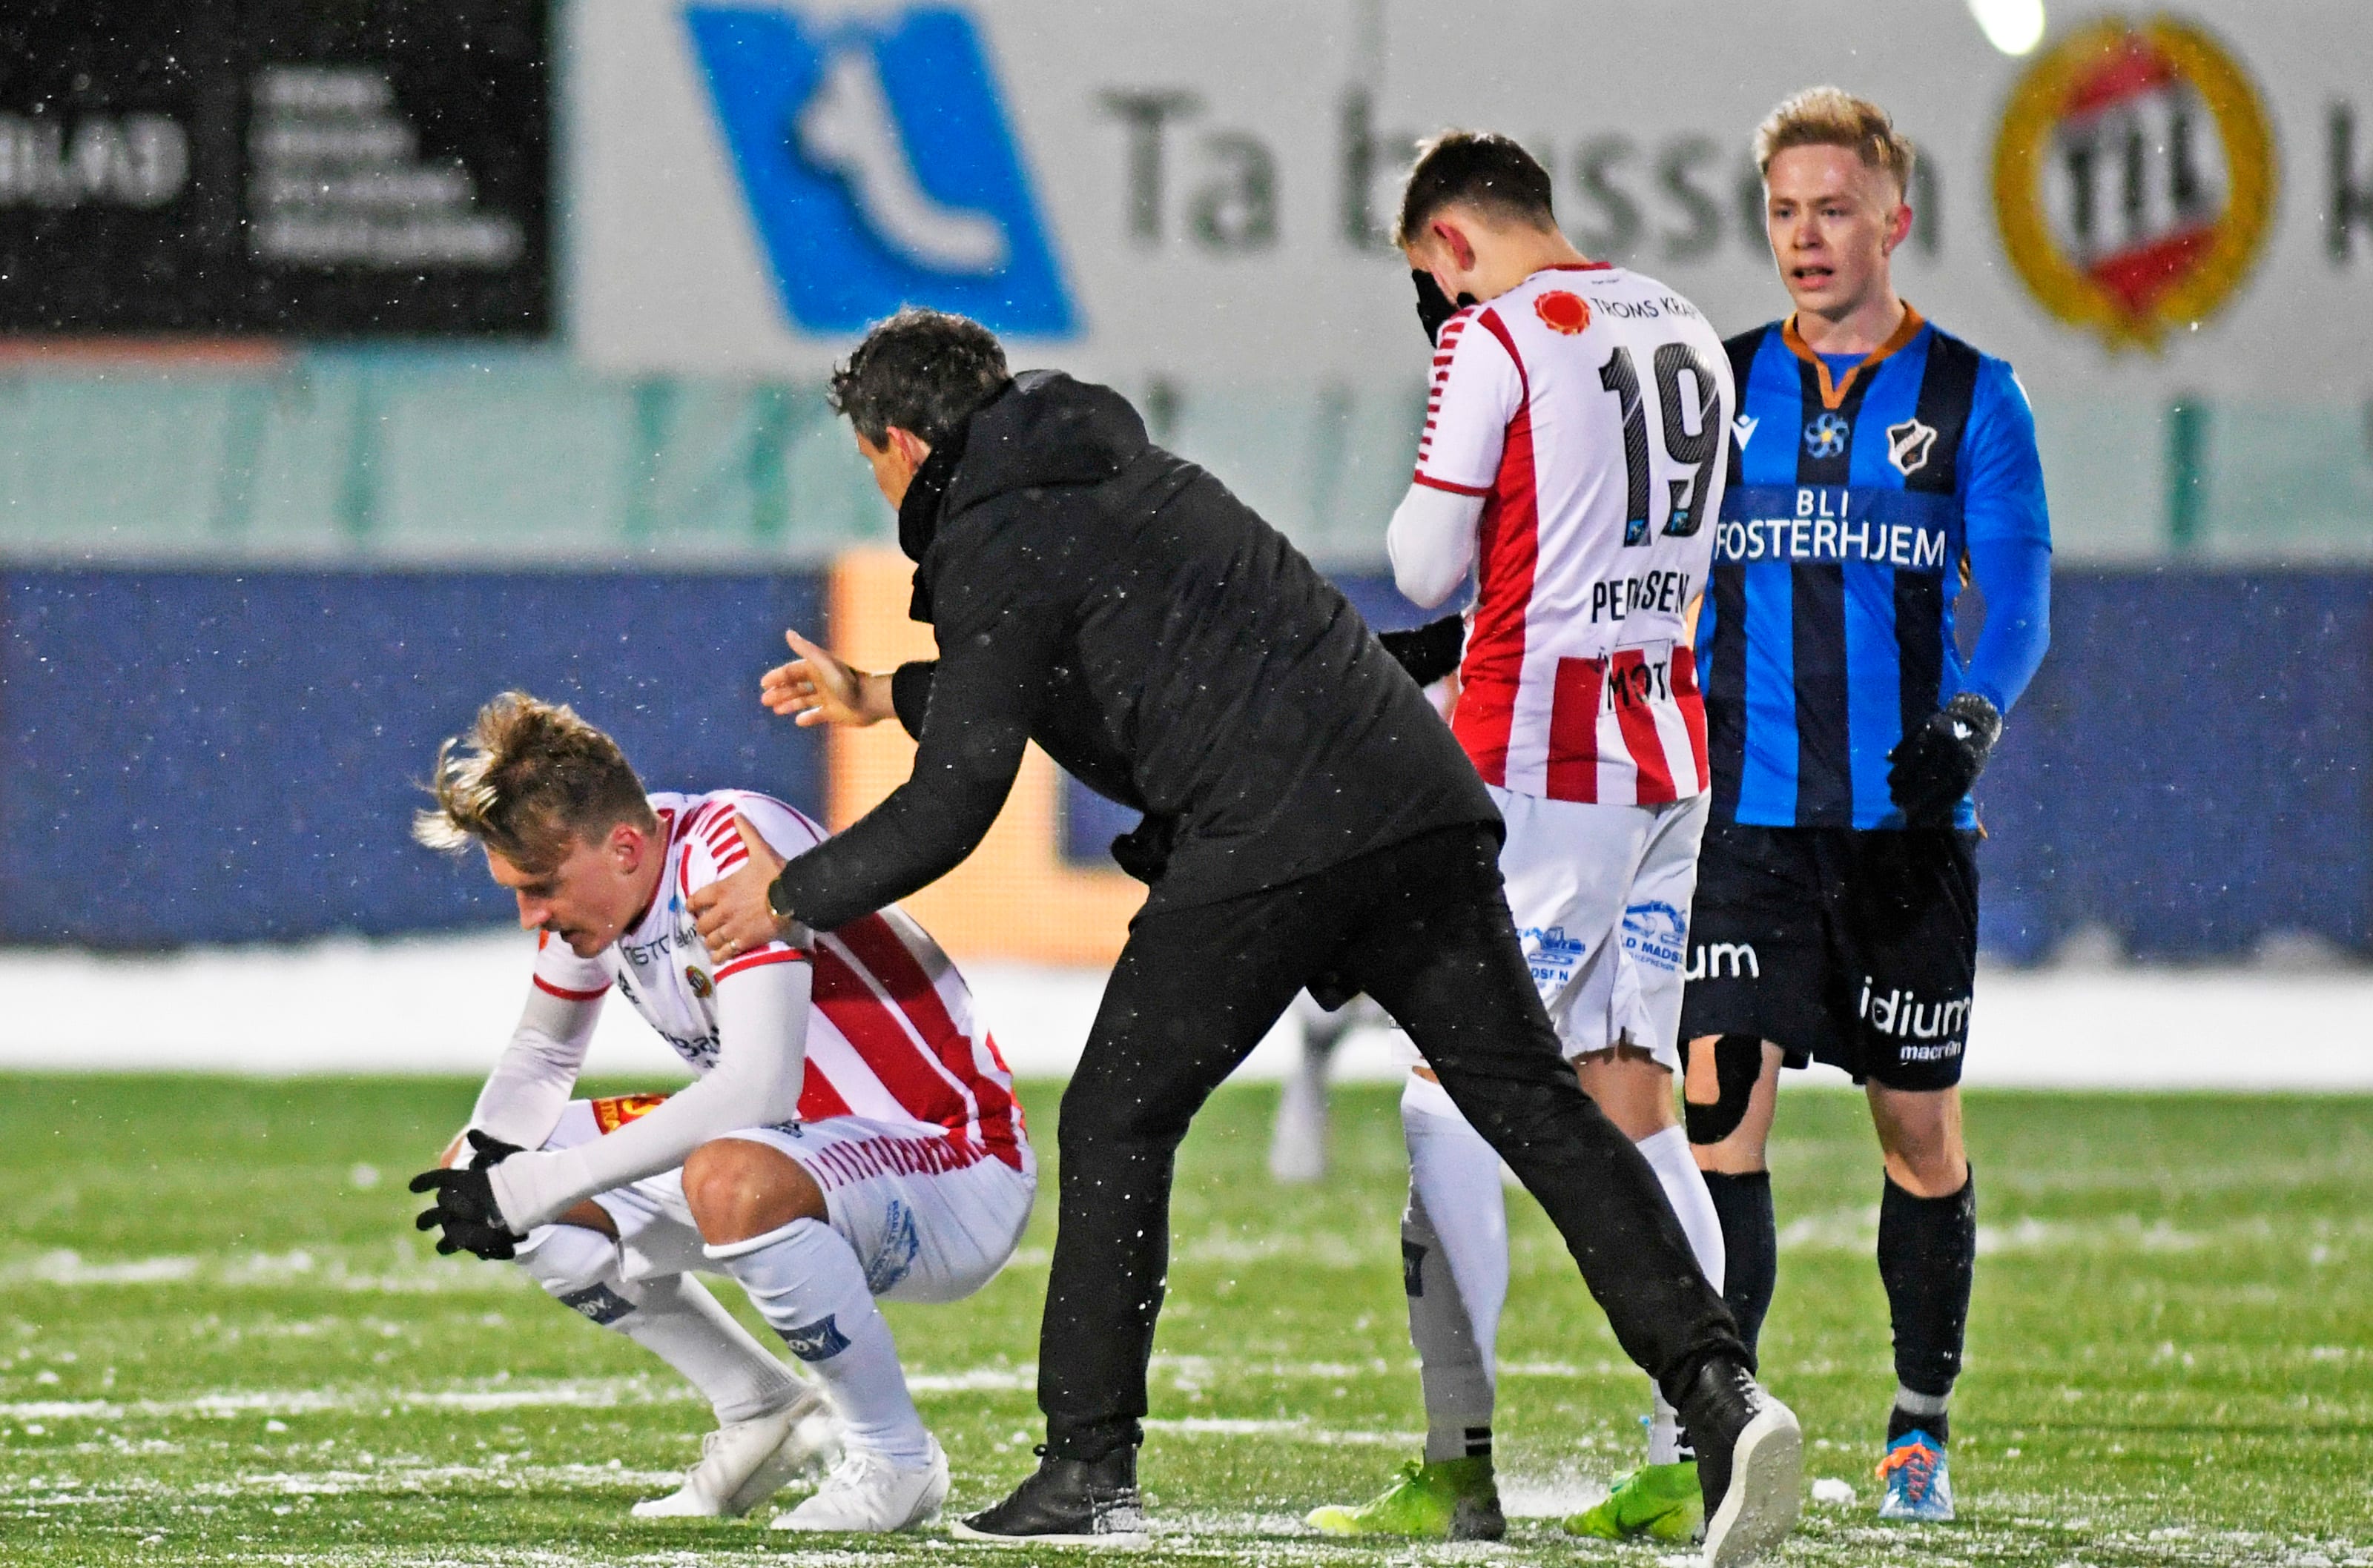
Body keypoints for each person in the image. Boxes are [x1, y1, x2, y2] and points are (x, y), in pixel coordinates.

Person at [688, 303, 1802, 1564]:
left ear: (899, 442)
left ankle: (1087, 1466)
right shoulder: (1118, 467)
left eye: (871, 461)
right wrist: (886, 692)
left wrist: (789, 895)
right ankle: (1720, 1395)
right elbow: (1067, 662)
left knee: (1118, 1117)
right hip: (1418, 799)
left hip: (1277, 831)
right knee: (1540, 1110)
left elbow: (958, 799)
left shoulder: (993, 530)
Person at [1304, 130, 1736, 1548]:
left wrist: (1464, 415)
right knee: (1634, 1099)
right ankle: (1692, 1448)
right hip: (1666, 741)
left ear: (1448, 242)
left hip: (1545, 754)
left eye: (1432, 278)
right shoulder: (1680, 319)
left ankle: (1459, 1463)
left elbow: (1425, 564)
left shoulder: (1490, 337)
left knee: (1448, 1086)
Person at [1678, 88, 2053, 1526]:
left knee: (1917, 1136)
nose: (1805, 236)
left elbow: (2016, 592)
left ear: (1895, 218)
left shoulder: (1971, 395)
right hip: (1746, 829)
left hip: (1905, 840)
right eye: (1783, 211)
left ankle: (1918, 1425)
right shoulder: (1717, 387)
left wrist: (1972, 716)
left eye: (1833, 209)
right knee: (1720, 1116)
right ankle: (1717, 1422)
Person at [405, 692, 1034, 1532]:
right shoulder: (606, 886)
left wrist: (541, 1185)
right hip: (800, 1155)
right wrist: (493, 1179)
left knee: (724, 1176)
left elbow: (757, 1088)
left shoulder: (729, 849)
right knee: (481, 1162)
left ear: (624, 846)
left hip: (951, 1162)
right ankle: (760, 1407)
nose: (531, 916)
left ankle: (896, 1461)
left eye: (542, 889)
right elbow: (544, 1054)